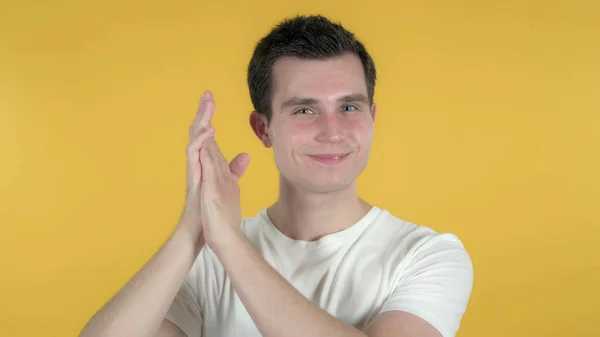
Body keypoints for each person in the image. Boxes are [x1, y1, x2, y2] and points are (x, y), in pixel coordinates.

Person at [79, 14, 473, 337]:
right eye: (304, 110)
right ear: (263, 129)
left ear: (372, 117)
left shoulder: (427, 256)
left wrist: (229, 243)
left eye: (349, 107)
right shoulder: (205, 259)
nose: (332, 131)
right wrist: (192, 231)